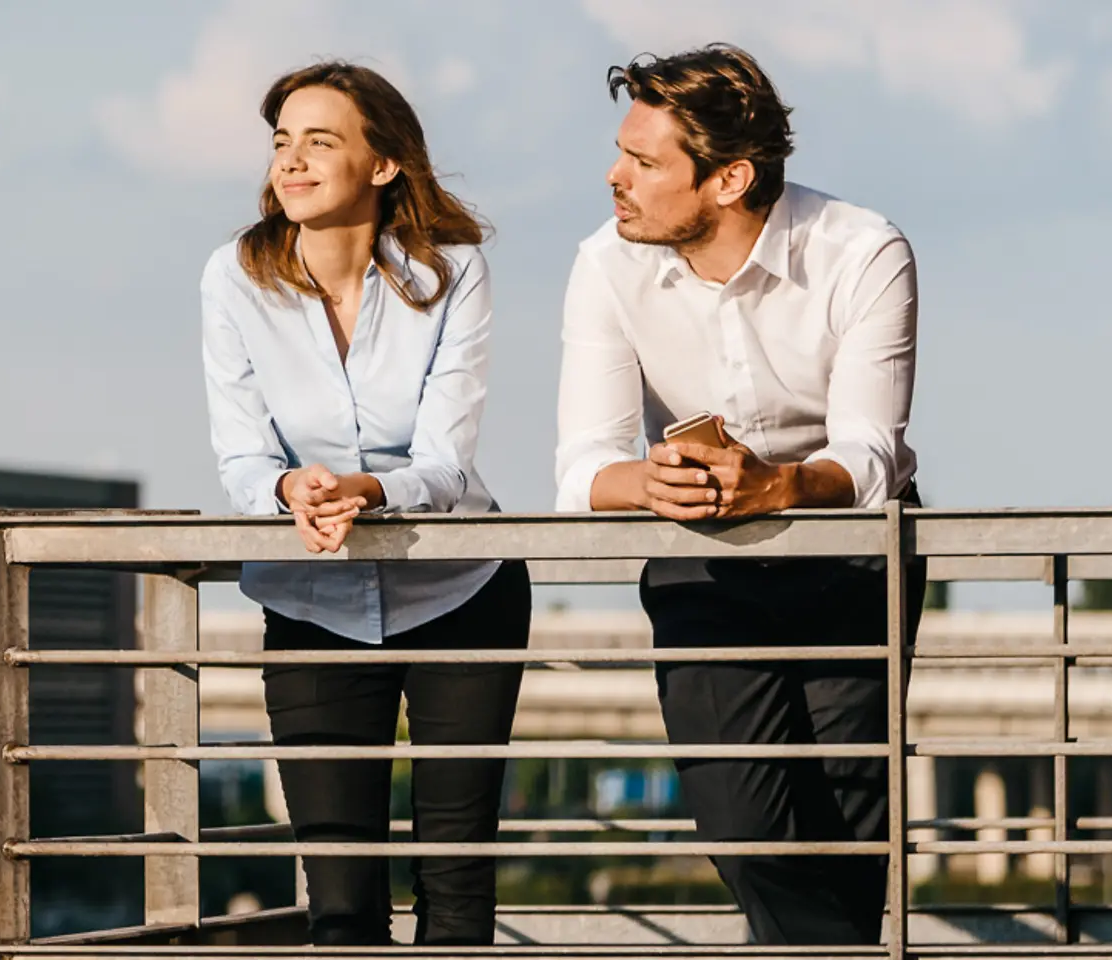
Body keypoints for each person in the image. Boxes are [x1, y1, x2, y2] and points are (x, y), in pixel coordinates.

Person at [554, 44, 927, 946]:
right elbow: (582, 472)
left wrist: (781, 485)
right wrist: (651, 480)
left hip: (851, 558)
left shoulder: (863, 251)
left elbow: (871, 454)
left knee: (848, 835)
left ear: (730, 179)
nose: (615, 177)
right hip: (702, 561)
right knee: (742, 823)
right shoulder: (606, 265)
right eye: (622, 152)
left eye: (644, 163)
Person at [200, 60, 530, 947]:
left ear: (383, 164)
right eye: (281, 142)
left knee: (456, 880)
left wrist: (368, 490)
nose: (292, 161)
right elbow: (241, 453)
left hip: (459, 586)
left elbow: (446, 463)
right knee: (339, 899)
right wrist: (285, 487)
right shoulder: (233, 276)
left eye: (320, 140)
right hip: (312, 598)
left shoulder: (452, 272)